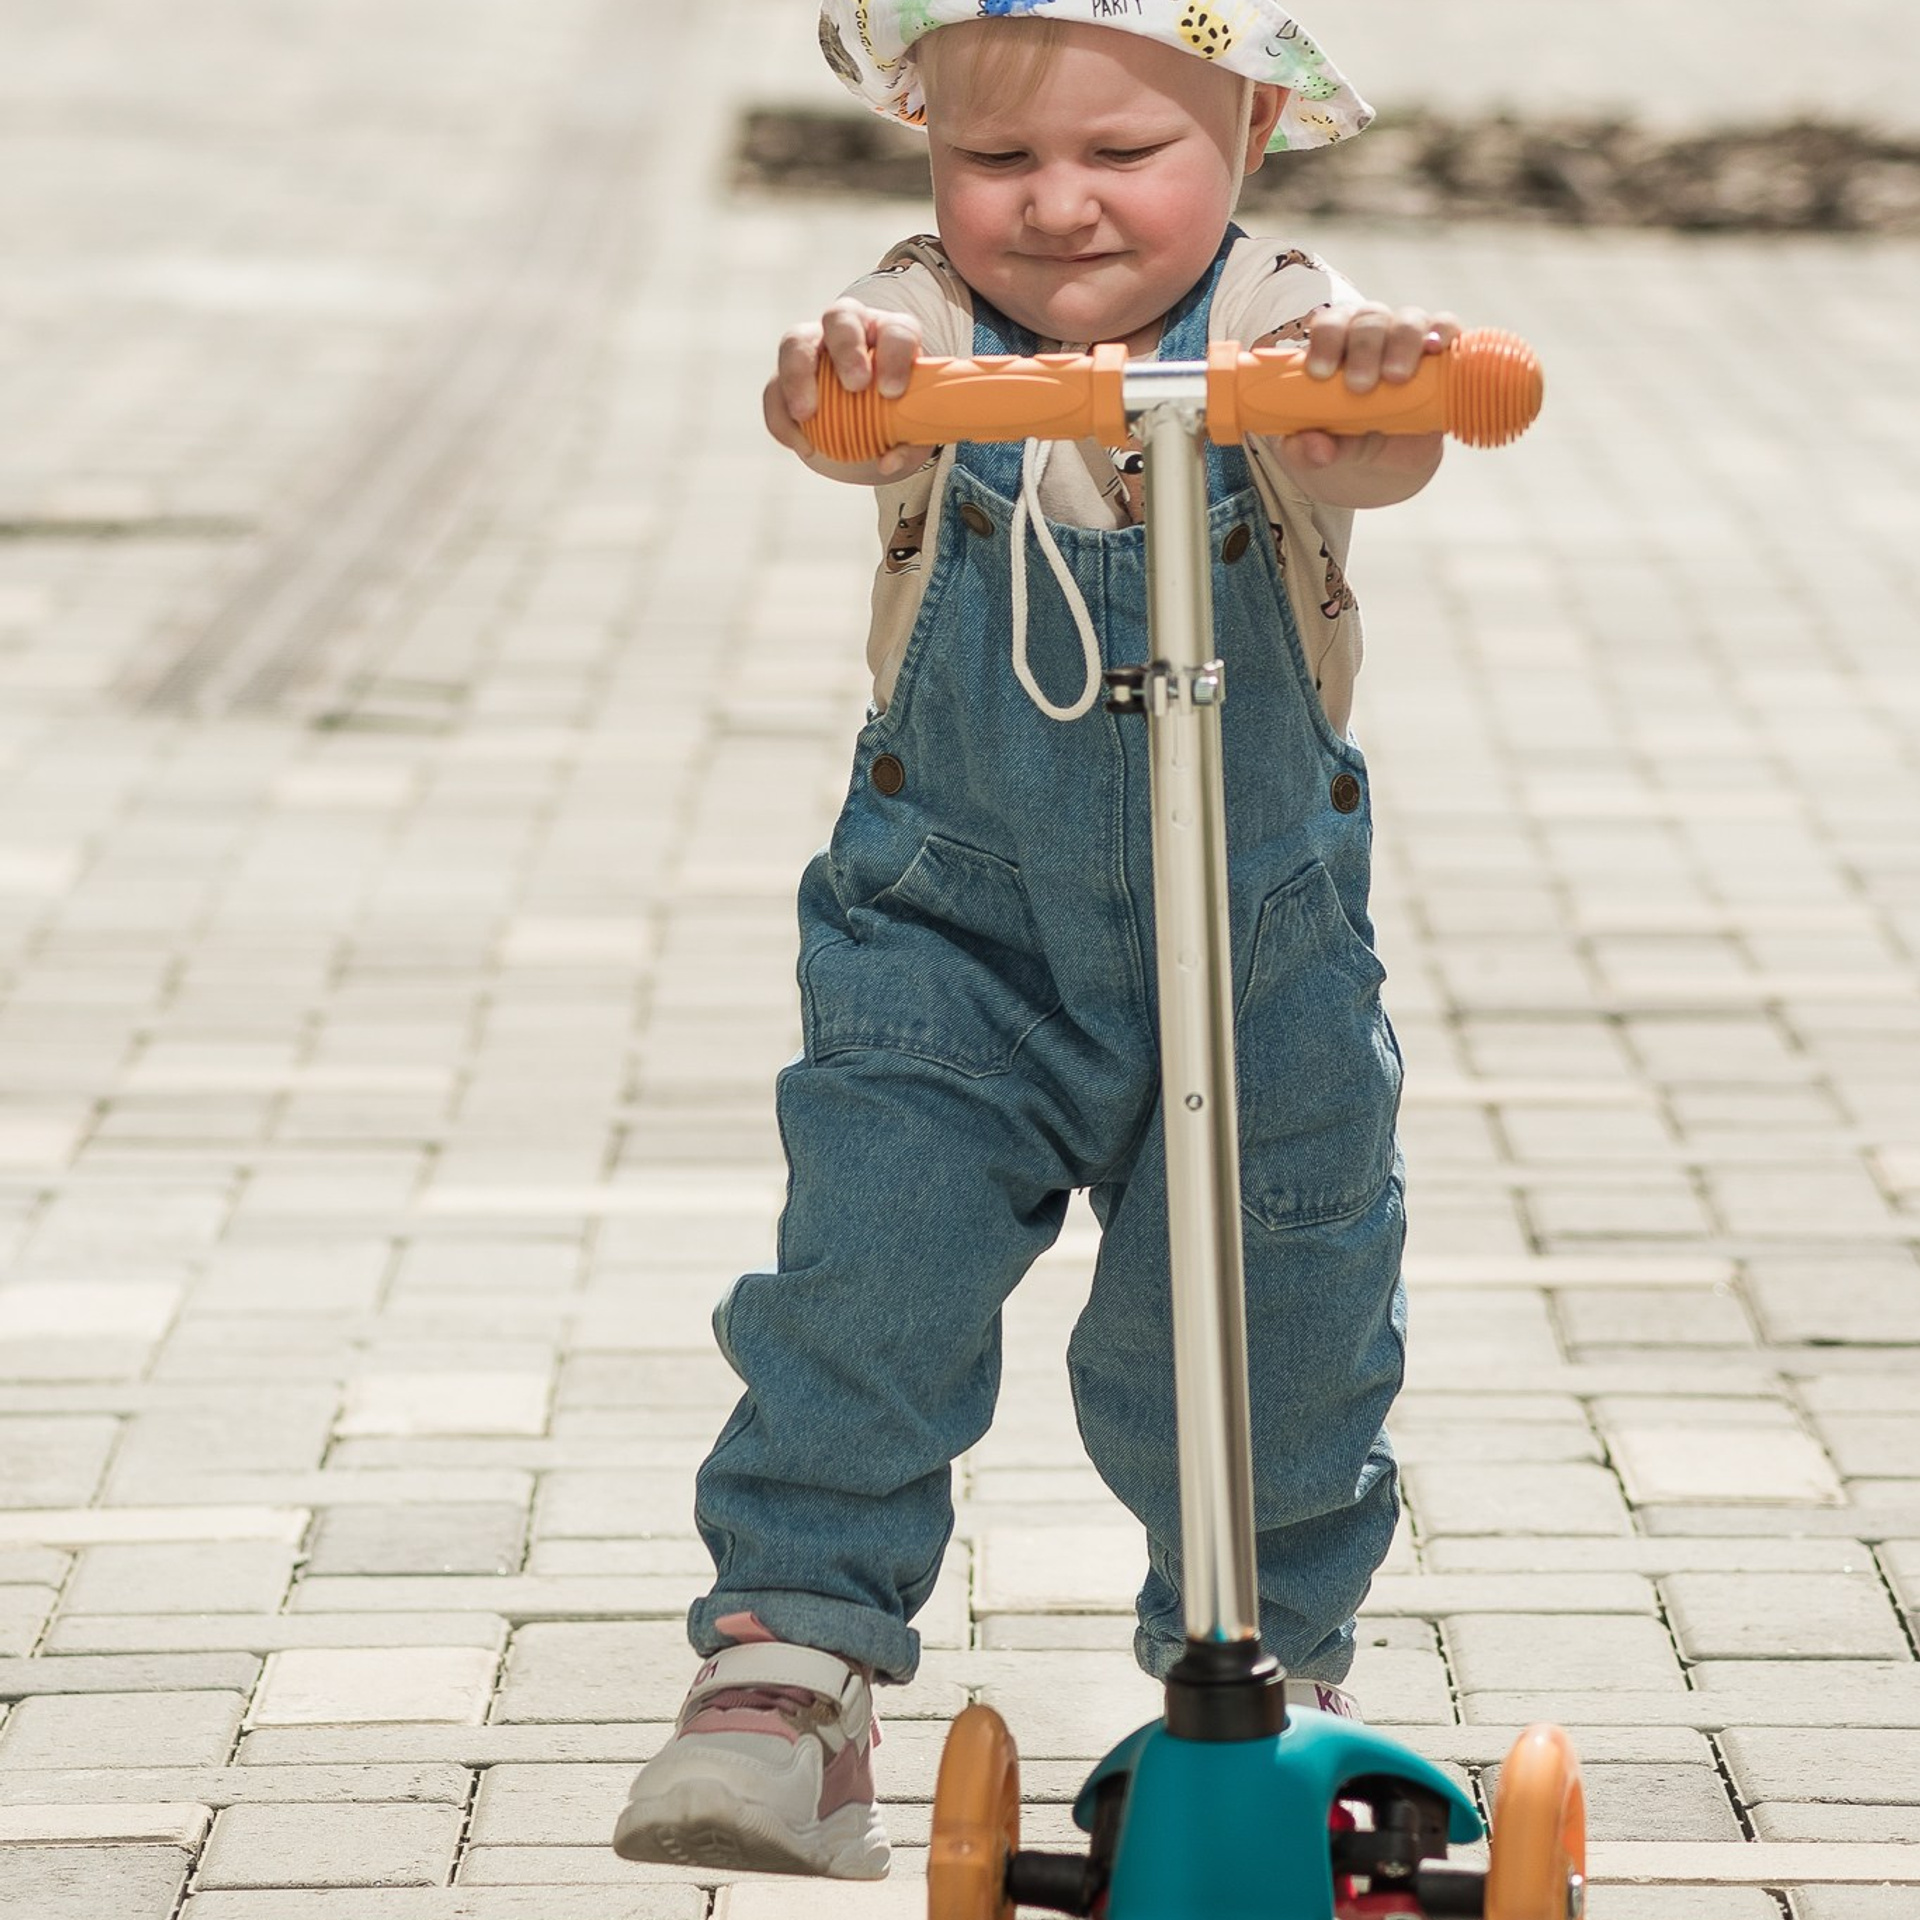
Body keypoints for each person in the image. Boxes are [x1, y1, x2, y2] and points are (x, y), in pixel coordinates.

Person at [616, 0, 1460, 1882]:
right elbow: (843, 399)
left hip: (1251, 946)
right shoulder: (923, 310)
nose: (1057, 207)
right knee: (871, 1266)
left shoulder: (1281, 313)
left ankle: (1253, 1675)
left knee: (1269, 1320)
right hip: (952, 930)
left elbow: (1372, 441)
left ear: (1244, 132)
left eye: (1119, 156)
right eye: (1000, 162)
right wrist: (838, 373)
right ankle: (795, 1664)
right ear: (929, 158)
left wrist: (1387, 384)